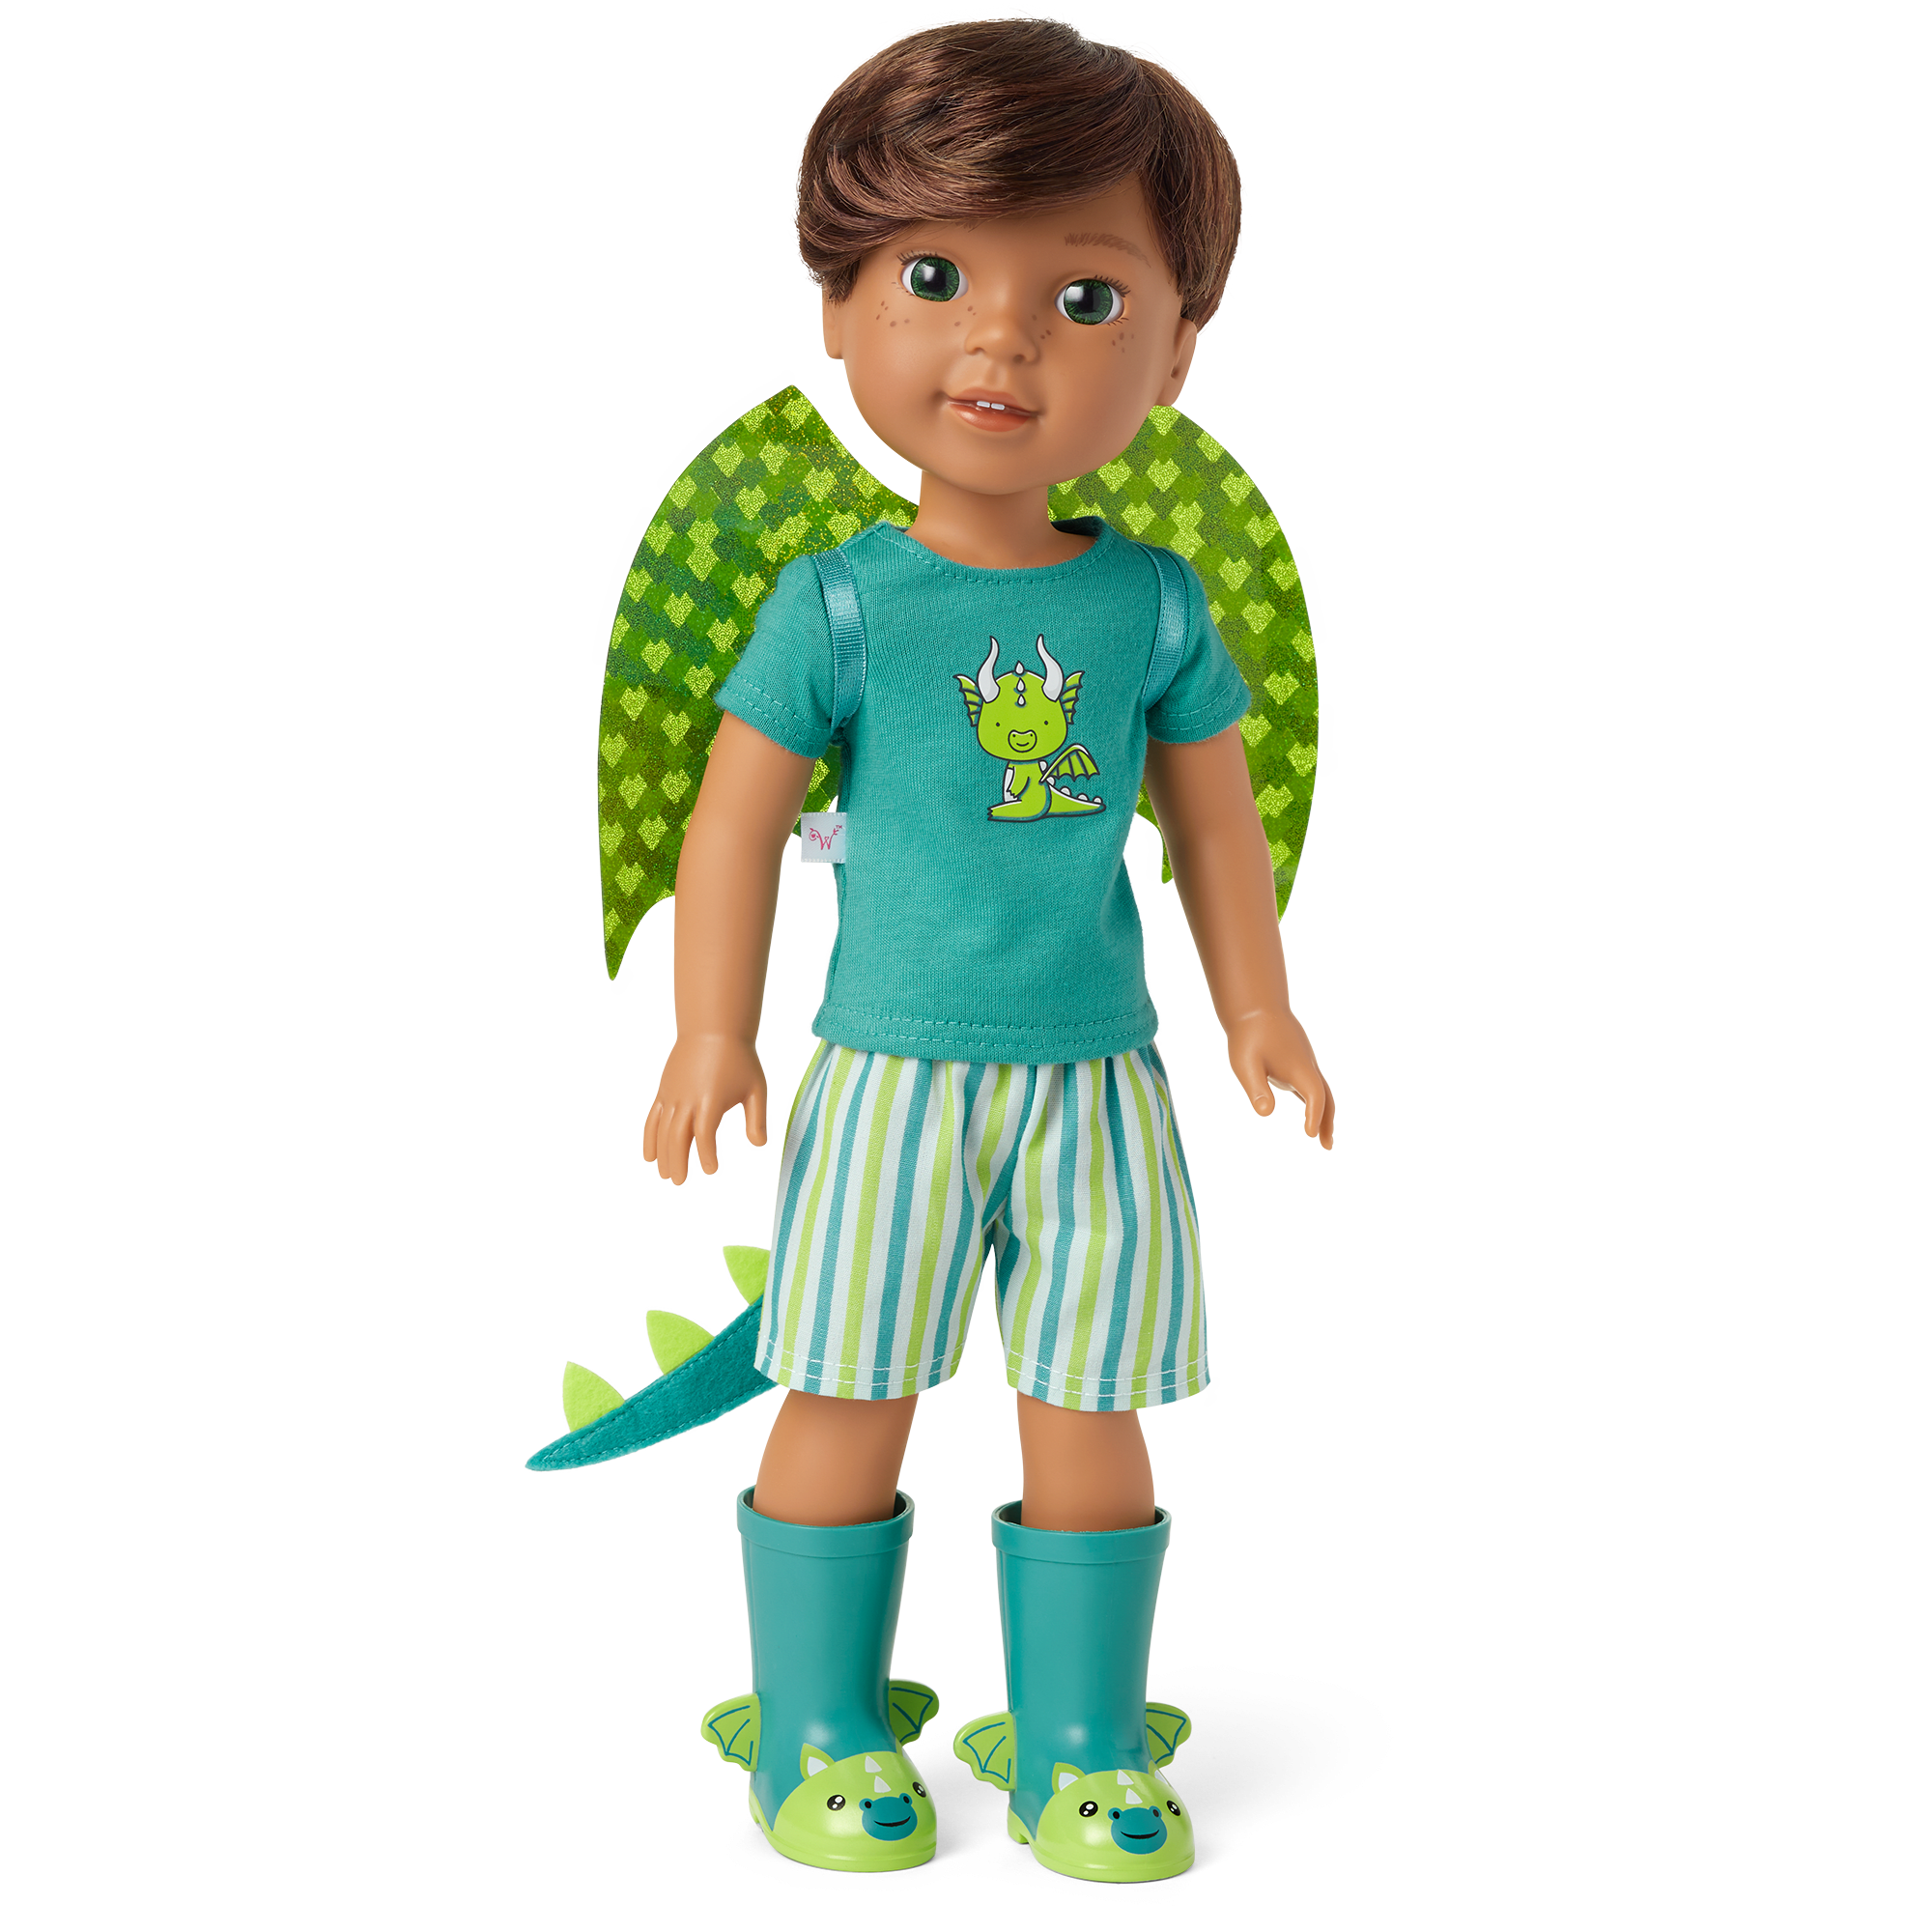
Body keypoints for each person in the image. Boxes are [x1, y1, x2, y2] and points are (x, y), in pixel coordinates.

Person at [653, 16, 1333, 1882]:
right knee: (848, 1385)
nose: (1001, 341)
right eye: (934, 278)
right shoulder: (838, 602)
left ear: (1178, 347)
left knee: (1088, 1400)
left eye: (1086, 297)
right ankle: (817, 1722)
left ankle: (1084, 1735)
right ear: (838, 306)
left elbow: (1215, 824)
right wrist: (715, 1030)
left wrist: (1258, 1004)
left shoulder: (1156, 605)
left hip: (1099, 1074)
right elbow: (732, 822)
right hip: (888, 1069)